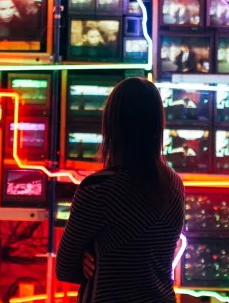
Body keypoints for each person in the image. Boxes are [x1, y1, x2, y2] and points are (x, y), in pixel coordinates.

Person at [56, 78, 185, 303]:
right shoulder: (174, 184)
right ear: (157, 124)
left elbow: (65, 267)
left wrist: (87, 256)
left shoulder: (99, 189)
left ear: (112, 124)